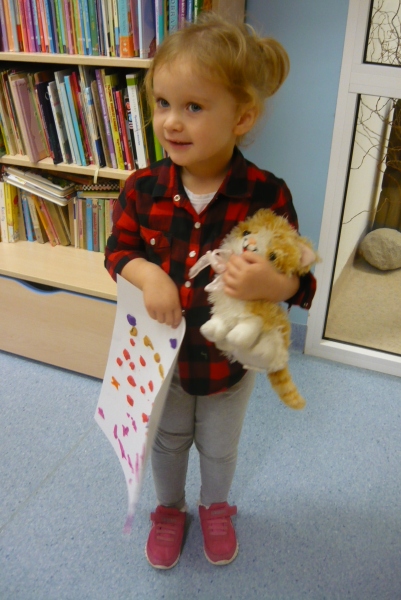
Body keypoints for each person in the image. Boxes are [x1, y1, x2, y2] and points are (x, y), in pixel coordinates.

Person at [105, 12, 316, 570]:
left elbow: (302, 279)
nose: (172, 122)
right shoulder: (142, 188)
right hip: (164, 360)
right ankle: (169, 509)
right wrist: (148, 274)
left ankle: (216, 506)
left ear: (241, 117)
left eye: (194, 107)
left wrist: (274, 281)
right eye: (163, 103)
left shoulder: (266, 194)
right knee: (168, 441)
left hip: (228, 366)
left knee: (219, 448)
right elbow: (117, 251)